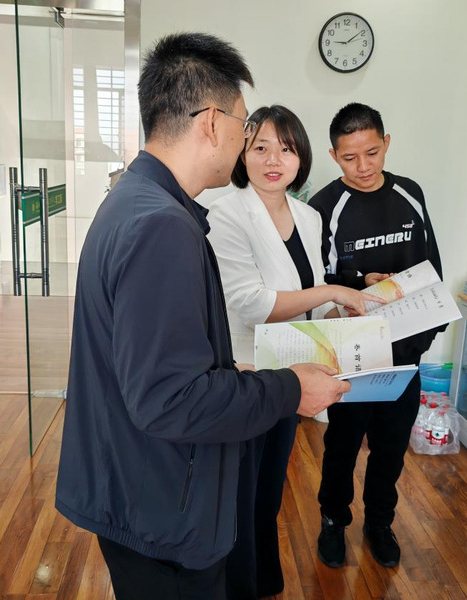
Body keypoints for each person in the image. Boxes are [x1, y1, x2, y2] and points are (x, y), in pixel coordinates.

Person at [55, 33, 351, 600]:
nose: (247, 142)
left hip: (138, 485)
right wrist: (291, 389)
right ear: (213, 122)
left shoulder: (138, 199)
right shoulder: (160, 226)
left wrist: (232, 373)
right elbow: (170, 400)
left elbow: (152, 366)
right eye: (245, 125)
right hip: (159, 506)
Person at [208, 105, 381, 598]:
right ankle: (237, 584)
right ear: (242, 155)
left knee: (268, 490)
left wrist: (341, 311)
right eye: (260, 148)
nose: (273, 160)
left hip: (292, 375)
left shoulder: (308, 216)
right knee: (240, 493)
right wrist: (331, 291)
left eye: (285, 149)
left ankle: (262, 581)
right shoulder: (226, 213)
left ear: (301, 157)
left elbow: (308, 298)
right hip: (245, 373)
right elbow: (250, 303)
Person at [309, 102, 446, 569]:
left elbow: (431, 267)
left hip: (405, 350)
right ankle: (333, 521)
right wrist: (360, 281)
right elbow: (317, 281)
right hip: (352, 352)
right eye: (350, 158)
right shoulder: (323, 207)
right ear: (334, 156)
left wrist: (426, 337)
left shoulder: (410, 193)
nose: (363, 166)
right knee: (342, 445)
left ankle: (379, 523)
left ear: (386, 143)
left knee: (391, 446)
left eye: (372, 153)